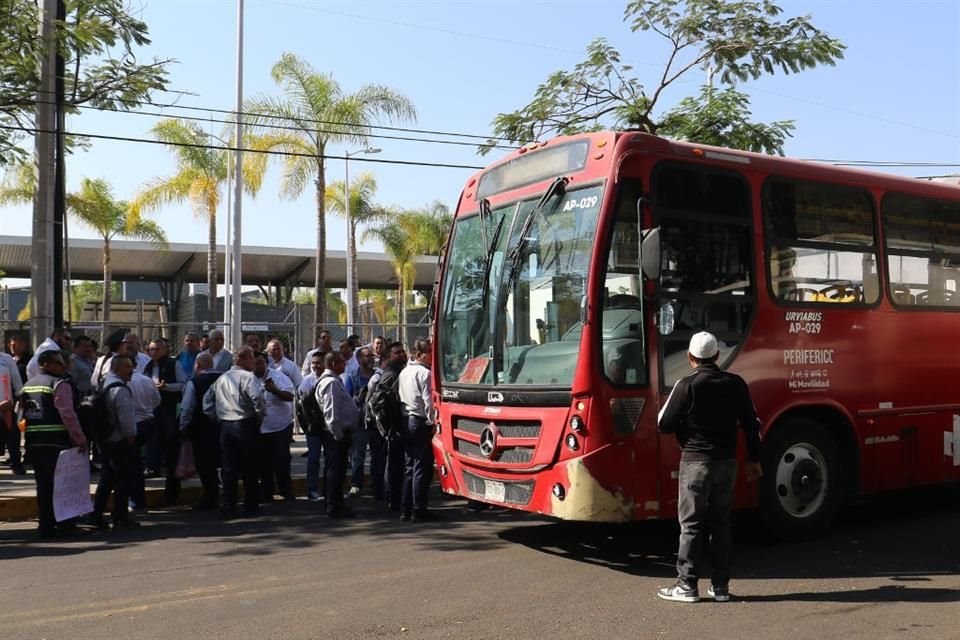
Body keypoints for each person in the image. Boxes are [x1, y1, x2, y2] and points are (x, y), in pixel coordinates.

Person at [656, 331, 763, 603]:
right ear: (717, 356)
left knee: (691, 525)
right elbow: (752, 424)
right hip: (726, 463)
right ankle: (720, 587)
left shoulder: (686, 385)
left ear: (690, 358)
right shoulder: (736, 383)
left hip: (695, 463)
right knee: (721, 523)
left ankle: (687, 586)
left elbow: (664, 423)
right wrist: (754, 458)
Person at [19, 351, 87, 537]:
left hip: (34, 443)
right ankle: (66, 524)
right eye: (59, 363)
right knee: (63, 485)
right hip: (57, 441)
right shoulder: (59, 384)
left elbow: (23, 415)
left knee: (44, 486)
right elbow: (68, 414)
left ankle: (46, 525)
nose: (63, 367)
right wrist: (79, 438)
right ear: (46, 364)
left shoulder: (28, 385)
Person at [203, 346, 265, 519]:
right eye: (252, 358)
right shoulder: (248, 377)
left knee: (229, 468)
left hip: (226, 425)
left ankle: (228, 505)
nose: (254, 362)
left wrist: (216, 416)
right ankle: (250, 505)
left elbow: (207, 401)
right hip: (245, 423)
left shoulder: (222, 378)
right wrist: (260, 416)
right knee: (249, 466)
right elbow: (258, 399)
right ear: (242, 360)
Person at [91, 354, 139, 530]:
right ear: (116, 368)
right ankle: (120, 516)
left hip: (104, 439)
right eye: (127, 367)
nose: (131, 371)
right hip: (118, 441)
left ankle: (96, 514)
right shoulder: (120, 390)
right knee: (122, 480)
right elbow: (126, 420)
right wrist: (131, 438)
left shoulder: (103, 384)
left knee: (106, 478)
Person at [143, 338, 187, 504]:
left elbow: (183, 384)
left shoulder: (172, 364)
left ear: (164, 350)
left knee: (171, 445)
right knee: (153, 441)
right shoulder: (147, 366)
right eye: (151, 349)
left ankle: (171, 486)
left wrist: (166, 387)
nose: (154, 352)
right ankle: (152, 467)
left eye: (157, 349)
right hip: (151, 409)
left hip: (168, 408)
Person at [397, 338, 436, 522]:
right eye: (429, 352)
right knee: (421, 466)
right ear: (420, 354)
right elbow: (429, 403)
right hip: (419, 421)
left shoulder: (405, 372)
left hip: (407, 420)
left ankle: (406, 508)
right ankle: (419, 509)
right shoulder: (424, 374)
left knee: (410, 466)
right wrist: (433, 422)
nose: (432, 355)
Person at [316, 351, 358, 517]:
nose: (345, 364)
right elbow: (330, 411)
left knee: (337, 471)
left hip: (337, 434)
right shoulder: (331, 383)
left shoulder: (334, 381)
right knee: (335, 471)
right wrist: (338, 434)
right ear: (333, 364)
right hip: (334, 435)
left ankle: (335, 502)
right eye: (342, 362)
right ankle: (333, 506)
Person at [365, 341, 407, 505]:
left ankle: (392, 495)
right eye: (397, 353)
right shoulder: (391, 374)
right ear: (389, 357)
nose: (402, 355)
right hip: (391, 427)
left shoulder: (397, 372)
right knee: (392, 464)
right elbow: (384, 402)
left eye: (403, 351)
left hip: (391, 427)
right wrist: (390, 426)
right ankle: (392, 497)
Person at [179, 353, 222, 509]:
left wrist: (183, 427)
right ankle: (226, 495)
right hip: (224, 426)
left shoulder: (195, 383)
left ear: (197, 365)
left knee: (205, 465)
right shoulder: (224, 378)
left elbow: (187, 408)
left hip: (201, 429)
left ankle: (210, 497)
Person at [253, 351, 295, 502]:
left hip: (280, 427)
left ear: (266, 363)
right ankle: (266, 492)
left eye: (260, 363)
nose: (257, 366)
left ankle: (286, 491)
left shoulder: (278, 377)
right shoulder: (249, 378)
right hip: (259, 429)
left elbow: (290, 396)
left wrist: (274, 390)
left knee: (282, 460)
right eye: (254, 363)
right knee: (263, 463)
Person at [125, 364, 161, 510]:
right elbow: (157, 399)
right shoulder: (146, 380)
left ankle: (134, 500)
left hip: (131, 425)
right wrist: (147, 410)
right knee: (136, 463)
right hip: (146, 422)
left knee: (130, 464)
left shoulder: (123, 383)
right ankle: (137, 500)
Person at [344, 346, 375, 497]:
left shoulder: (377, 375)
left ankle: (377, 483)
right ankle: (356, 484)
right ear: (358, 359)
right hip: (360, 422)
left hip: (376, 422)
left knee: (378, 454)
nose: (370, 358)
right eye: (367, 356)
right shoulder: (351, 377)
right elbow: (346, 399)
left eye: (371, 356)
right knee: (358, 454)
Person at [298, 352, 326, 502]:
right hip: (314, 427)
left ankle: (329, 488)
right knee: (314, 458)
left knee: (331, 458)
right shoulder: (307, 381)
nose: (315, 365)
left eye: (318, 362)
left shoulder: (331, 378)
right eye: (313, 363)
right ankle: (313, 489)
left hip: (328, 426)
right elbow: (302, 404)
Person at [0, 347, 24, 474]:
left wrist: (20, 397)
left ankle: (16, 464)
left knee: (12, 436)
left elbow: (17, 382)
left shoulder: (6, 359)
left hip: (7, 408)